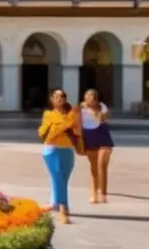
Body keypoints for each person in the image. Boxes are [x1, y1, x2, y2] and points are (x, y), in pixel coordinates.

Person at [38, 89, 82, 224]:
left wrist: (61, 126)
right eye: (56, 97)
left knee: (62, 179)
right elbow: (45, 134)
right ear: (52, 99)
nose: (59, 99)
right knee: (57, 177)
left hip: (68, 149)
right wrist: (65, 124)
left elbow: (77, 131)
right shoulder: (48, 114)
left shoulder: (73, 113)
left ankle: (54, 203)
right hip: (51, 149)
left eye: (62, 96)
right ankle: (63, 208)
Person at [81, 88, 114, 204]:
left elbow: (102, 119)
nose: (89, 98)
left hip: (102, 135)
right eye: (87, 96)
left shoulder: (101, 106)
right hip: (88, 136)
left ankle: (103, 194)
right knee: (93, 167)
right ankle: (93, 194)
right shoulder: (80, 108)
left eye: (92, 96)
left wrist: (92, 111)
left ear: (96, 98)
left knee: (102, 165)